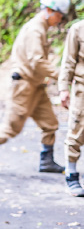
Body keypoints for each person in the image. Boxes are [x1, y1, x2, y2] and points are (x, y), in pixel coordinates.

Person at [0, 0, 71, 175]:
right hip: (24, 86)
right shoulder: (35, 29)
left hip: (37, 86)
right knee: (11, 127)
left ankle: (47, 161)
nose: (59, 21)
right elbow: (36, 61)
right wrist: (61, 74)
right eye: (59, 16)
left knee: (50, 123)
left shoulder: (41, 27)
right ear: (50, 11)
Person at [59, 18, 84, 197]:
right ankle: (71, 175)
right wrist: (63, 88)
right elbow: (68, 61)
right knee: (77, 132)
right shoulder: (78, 29)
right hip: (82, 90)